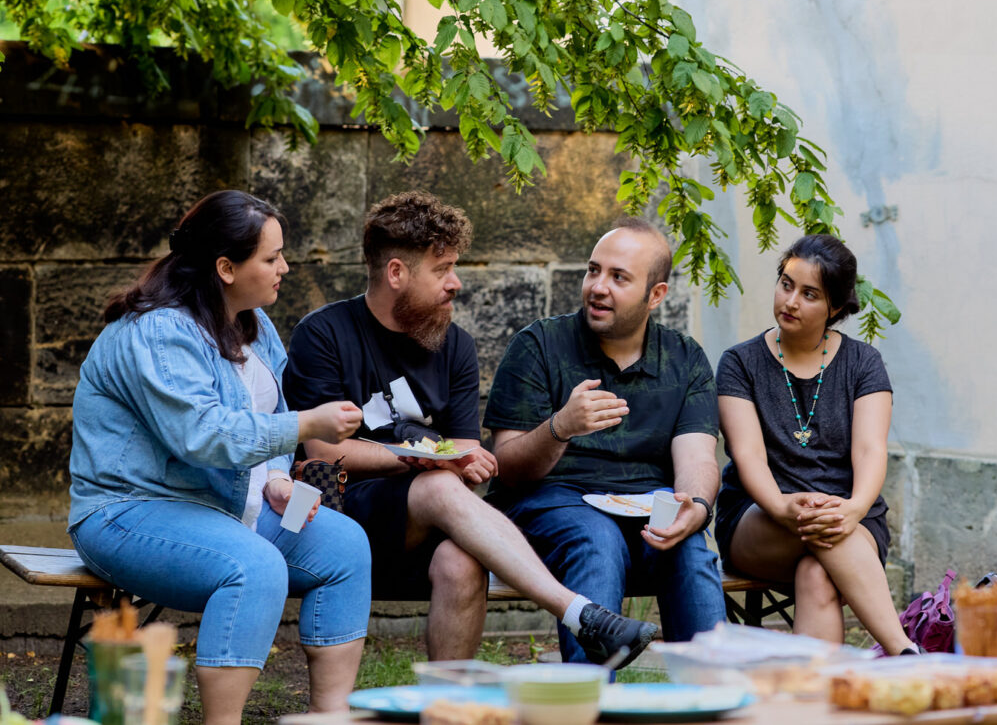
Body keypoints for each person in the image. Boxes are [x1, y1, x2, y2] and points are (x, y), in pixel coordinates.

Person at [283, 191, 657, 668]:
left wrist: (450, 459)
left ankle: (448, 707)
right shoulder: (325, 333)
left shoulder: (453, 343)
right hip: (335, 510)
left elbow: (464, 450)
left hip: (419, 517)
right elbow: (321, 449)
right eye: (442, 270)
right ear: (397, 273)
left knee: (461, 563)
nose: (455, 283)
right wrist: (420, 458)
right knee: (438, 482)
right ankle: (579, 613)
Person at [68, 191, 372, 725]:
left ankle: (329, 716)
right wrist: (307, 425)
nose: (285, 267)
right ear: (226, 267)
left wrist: (278, 476)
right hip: (127, 511)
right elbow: (203, 435)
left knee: (345, 547)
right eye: (271, 258)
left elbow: (264, 416)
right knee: (253, 566)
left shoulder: (254, 322)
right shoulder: (160, 331)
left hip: (224, 508)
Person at [485, 217, 728, 665]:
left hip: (644, 506)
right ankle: (590, 704)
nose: (598, 286)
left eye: (619, 277)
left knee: (690, 548)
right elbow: (507, 465)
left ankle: (715, 700)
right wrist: (561, 427)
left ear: (656, 295)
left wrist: (695, 505)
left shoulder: (684, 358)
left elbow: (697, 457)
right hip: (553, 500)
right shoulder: (539, 345)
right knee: (596, 539)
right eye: (593, 270)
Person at [714, 233, 916, 655]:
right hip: (761, 519)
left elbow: (870, 450)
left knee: (817, 574)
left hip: (851, 516)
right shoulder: (739, 363)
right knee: (824, 530)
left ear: (836, 308)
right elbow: (747, 454)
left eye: (809, 294)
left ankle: (813, 702)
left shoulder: (863, 363)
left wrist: (855, 508)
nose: (790, 301)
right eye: (786, 284)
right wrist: (782, 506)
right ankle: (903, 651)